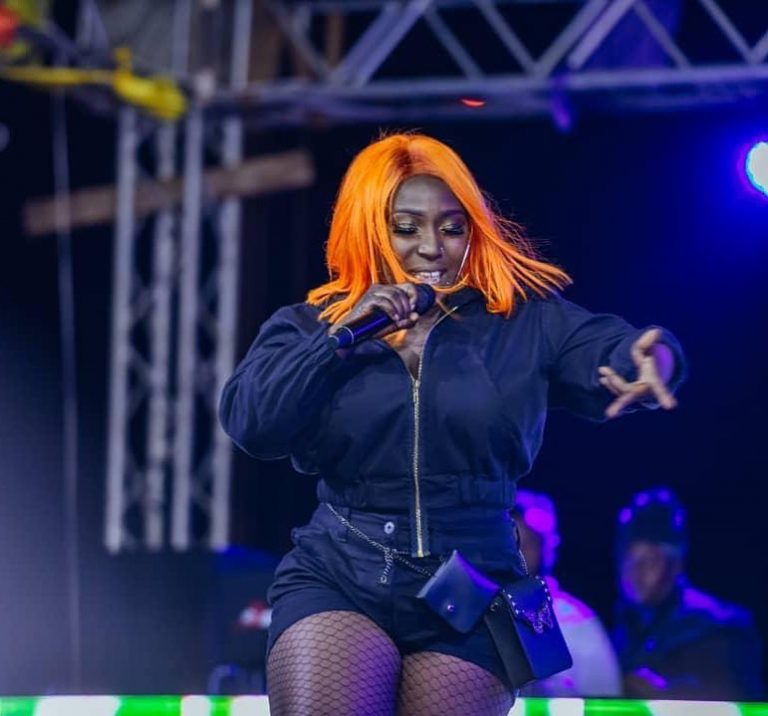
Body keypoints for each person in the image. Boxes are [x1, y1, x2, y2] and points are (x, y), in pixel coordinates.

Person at [219, 132, 686, 715]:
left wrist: (652, 358)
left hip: (470, 585)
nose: (431, 247)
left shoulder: (523, 322)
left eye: (451, 227)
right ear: (369, 228)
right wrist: (337, 342)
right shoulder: (314, 325)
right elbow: (251, 422)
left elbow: (614, 348)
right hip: (341, 571)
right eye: (406, 227)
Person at [613, 488, 764, 701]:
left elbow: (738, 700)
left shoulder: (723, 627)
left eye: (649, 561)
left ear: (676, 565)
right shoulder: (623, 631)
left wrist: (662, 692)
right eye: (628, 560)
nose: (635, 573)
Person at [512, 490, 622, 698]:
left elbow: (606, 702)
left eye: (528, 545)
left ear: (545, 548)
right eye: (512, 544)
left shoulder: (578, 623)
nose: (519, 555)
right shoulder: (480, 615)